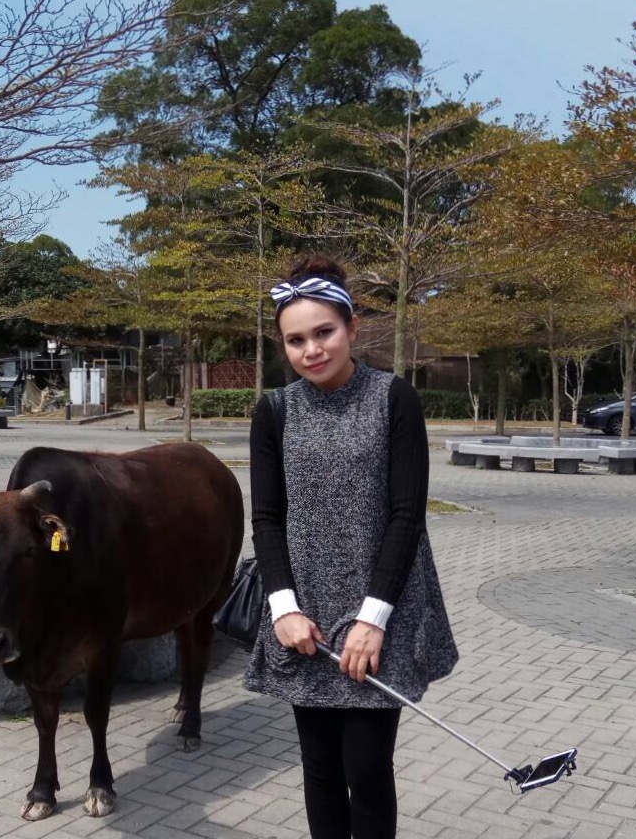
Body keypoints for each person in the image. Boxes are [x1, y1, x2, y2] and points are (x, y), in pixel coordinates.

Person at [244, 253, 458, 839]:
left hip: (379, 608)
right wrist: (284, 609)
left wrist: (372, 620)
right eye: (296, 340)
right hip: (305, 615)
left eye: (324, 333)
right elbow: (267, 518)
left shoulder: (393, 398)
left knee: (366, 769)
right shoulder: (274, 411)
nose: (311, 350)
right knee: (319, 767)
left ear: (352, 328)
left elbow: (407, 516)